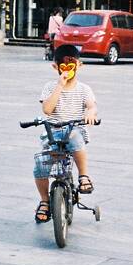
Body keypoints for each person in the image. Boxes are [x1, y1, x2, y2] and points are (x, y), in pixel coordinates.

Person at [33, 44, 98, 223]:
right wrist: (60, 86)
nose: (68, 71)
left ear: (79, 65)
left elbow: (92, 105)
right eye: (63, 67)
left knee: (75, 137)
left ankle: (83, 175)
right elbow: (47, 109)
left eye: (72, 66)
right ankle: (44, 201)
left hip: (74, 129)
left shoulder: (84, 89)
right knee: (40, 164)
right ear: (56, 67)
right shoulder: (49, 87)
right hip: (52, 131)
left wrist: (90, 112)